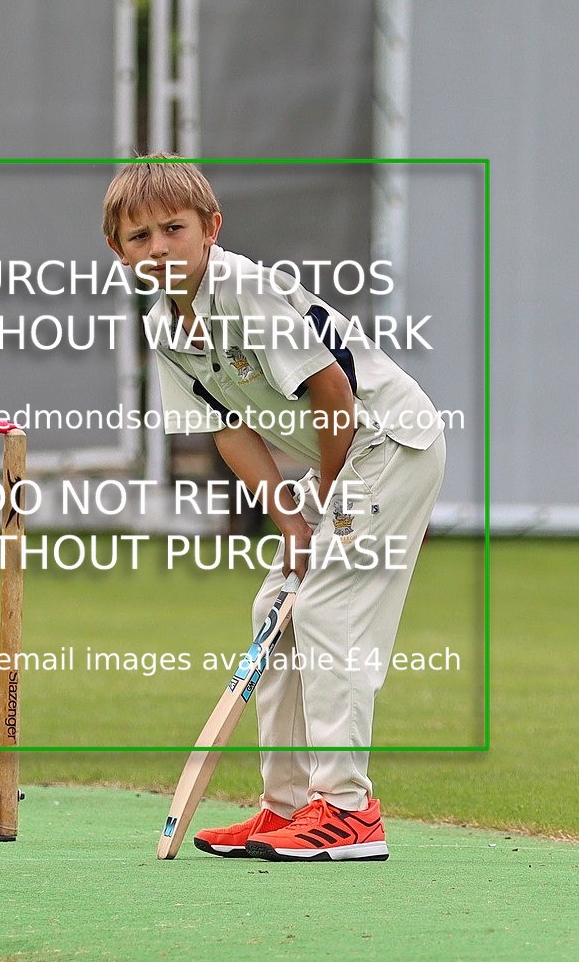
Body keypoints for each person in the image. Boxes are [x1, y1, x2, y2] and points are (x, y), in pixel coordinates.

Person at [102, 155, 445, 861]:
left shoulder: (240, 287)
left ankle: (348, 811)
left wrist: (322, 497)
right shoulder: (167, 327)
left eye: (174, 228)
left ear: (210, 228)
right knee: (276, 612)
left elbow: (332, 391)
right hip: (347, 460)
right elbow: (229, 427)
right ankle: (286, 808)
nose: (159, 247)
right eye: (140, 238)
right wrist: (289, 522)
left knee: (326, 610)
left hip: (386, 442)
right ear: (119, 251)